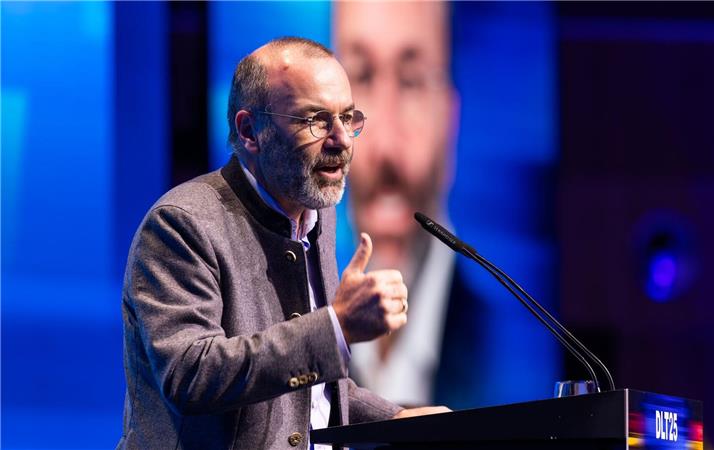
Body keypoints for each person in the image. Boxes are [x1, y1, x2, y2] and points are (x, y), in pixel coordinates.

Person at [117, 37, 446, 450]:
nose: (342, 140)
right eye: (316, 120)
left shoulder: (316, 214)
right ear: (250, 131)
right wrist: (336, 327)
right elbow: (192, 377)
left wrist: (397, 419)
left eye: (347, 118)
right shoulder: (181, 225)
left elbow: (307, 391)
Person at [334, 1, 487, 409]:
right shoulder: (292, 331)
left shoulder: (512, 347)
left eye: (412, 82)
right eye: (361, 76)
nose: (385, 146)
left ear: (449, 119)